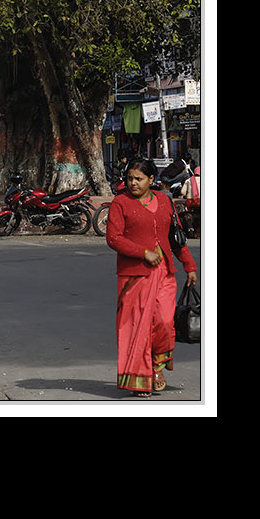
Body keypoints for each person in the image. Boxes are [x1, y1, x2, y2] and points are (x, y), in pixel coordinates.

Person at [105, 158, 198, 398]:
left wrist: (189, 265)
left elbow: (175, 238)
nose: (133, 183)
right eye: (129, 179)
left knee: (165, 322)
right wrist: (142, 252)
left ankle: (156, 365)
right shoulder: (120, 203)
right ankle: (141, 379)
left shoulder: (164, 201)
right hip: (134, 275)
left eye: (139, 179)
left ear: (151, 180)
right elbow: (113, 238)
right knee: (137, 328)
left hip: (165, 272)